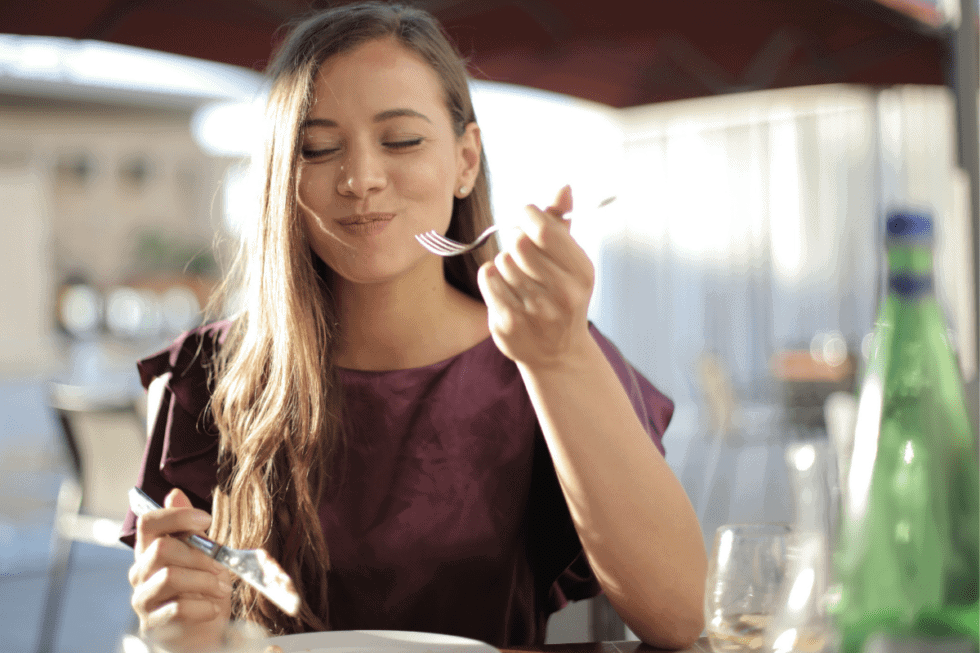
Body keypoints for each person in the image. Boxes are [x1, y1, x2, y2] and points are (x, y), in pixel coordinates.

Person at [121, 3, 707, 651]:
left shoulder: (546, 350)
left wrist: (559, 358)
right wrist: (172, 623)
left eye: (401, 140)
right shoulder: (206, 372)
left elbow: (679, 616)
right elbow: (181, 621)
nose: (361, 179)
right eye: (317, 148)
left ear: (465, 160)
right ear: (283, 178)